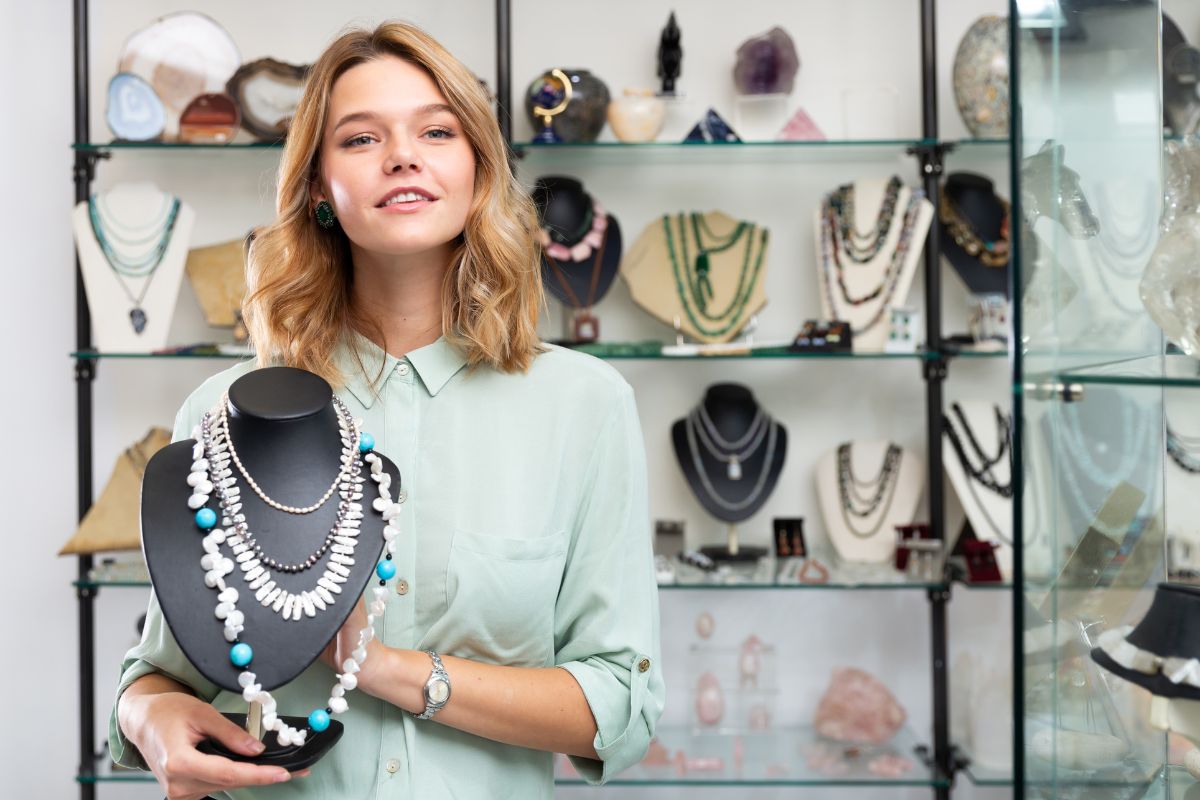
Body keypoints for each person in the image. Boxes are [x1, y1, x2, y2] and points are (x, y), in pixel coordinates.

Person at [109, 20, 663, 799]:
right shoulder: (221, 412)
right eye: (362, 138)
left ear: (477, 169)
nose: (403, 154)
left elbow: (622, 703)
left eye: (437, 130)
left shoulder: (585, 408)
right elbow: (158, 674)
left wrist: (389, 672)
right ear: (316, 187)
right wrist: (151, 722)